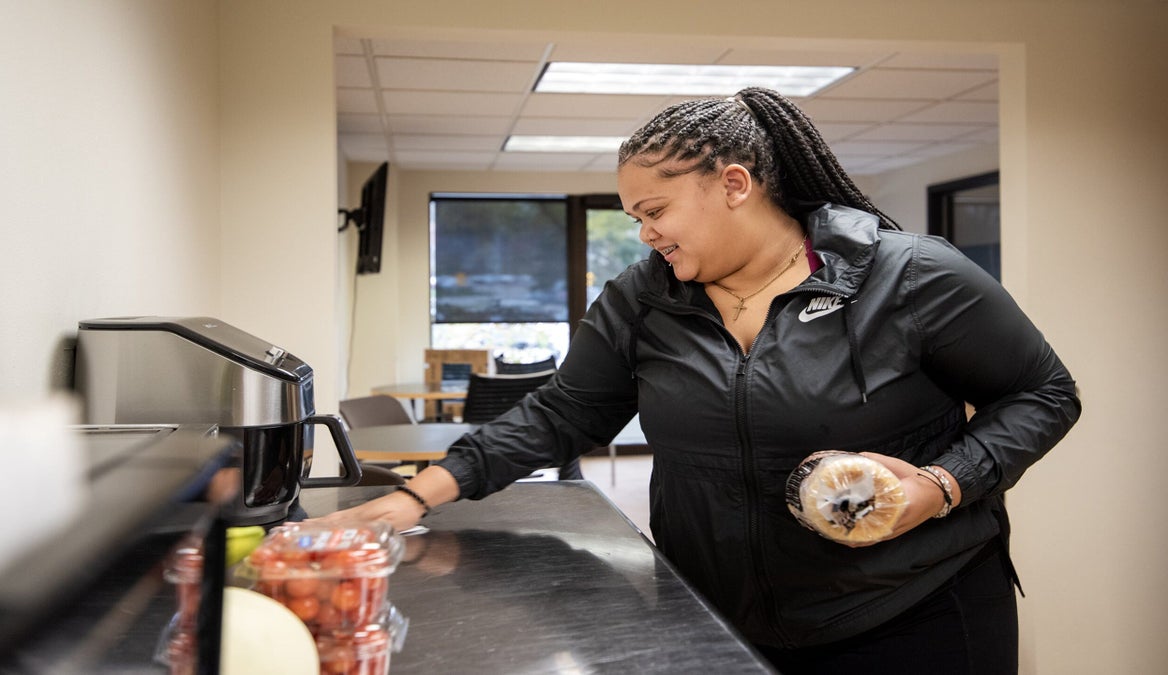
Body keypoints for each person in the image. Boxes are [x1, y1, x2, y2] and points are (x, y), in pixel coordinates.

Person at [309, 87, 1081, 674]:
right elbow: (562, 414)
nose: (643, 233)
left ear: (735, 183)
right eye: (634, 217)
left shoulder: (908, 276)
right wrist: (412, 498)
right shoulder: (643, 298)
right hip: (718, 613)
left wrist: (942, 485)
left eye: (655, 210)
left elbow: (1044, 393)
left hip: (913, 613)